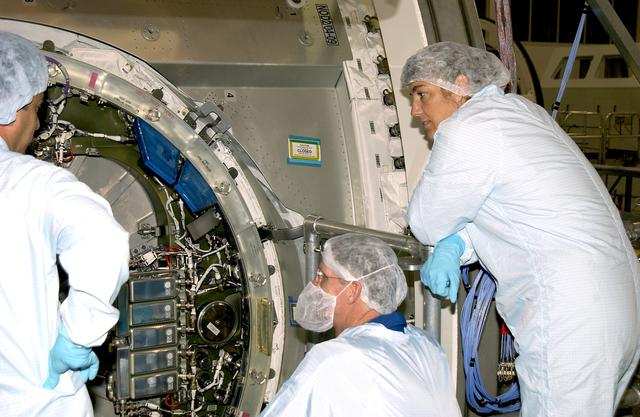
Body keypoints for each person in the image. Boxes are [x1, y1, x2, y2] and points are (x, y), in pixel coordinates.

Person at [402, 41, 640, 417]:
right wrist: (458, 243)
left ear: (460, 84)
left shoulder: (467, 128)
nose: (416, 111)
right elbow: (509, 210)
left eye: (422, 94)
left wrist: (447, 240)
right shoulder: (522, 113)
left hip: (569, 316)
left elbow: (426, 220)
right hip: (616, 302)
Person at [0, 32, 130, 417]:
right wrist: (76, 337)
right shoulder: (30, 183)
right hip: (36, 404)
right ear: (15, 109)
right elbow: (103, 242)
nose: (37, 123)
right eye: (38, 108)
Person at [260, 233, 461, 417]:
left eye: (322, 276)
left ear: (352, 290)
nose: (314, 283)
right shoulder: (427, 345)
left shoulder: (333, 359)